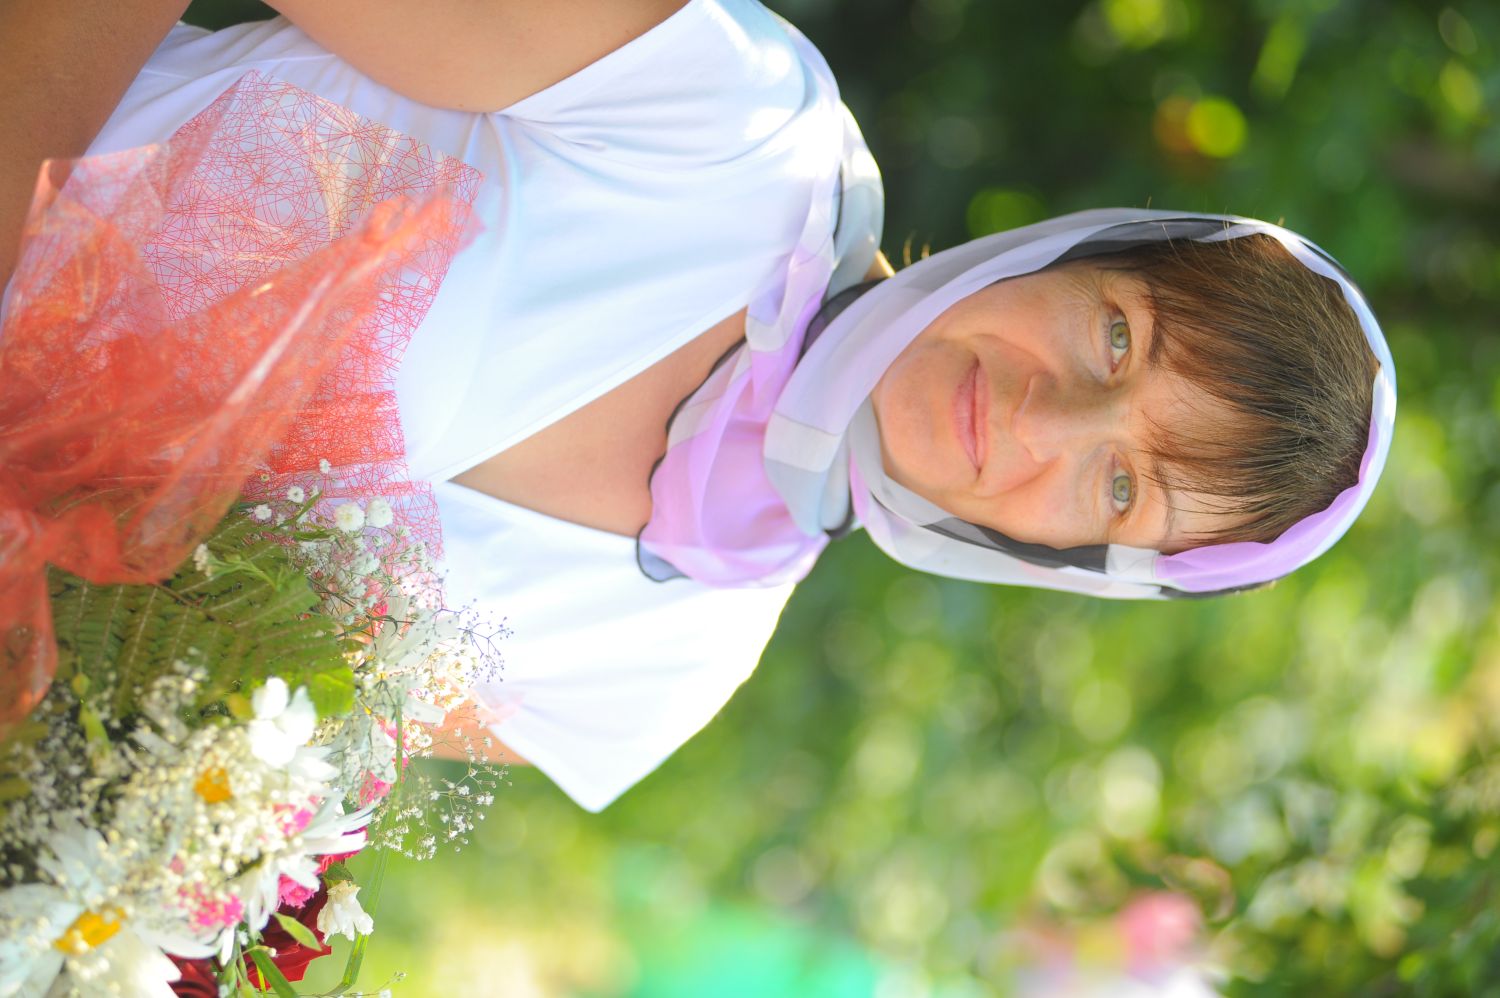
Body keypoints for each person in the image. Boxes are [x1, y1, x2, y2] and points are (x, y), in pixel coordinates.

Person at [0, 0, 1394, 813]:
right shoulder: (740, 127)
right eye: (1117, 336)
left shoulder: (649, 676)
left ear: (1087, 562)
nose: (1043, 420)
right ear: (1078, 252)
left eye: (1121, 486)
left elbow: (131, 734)